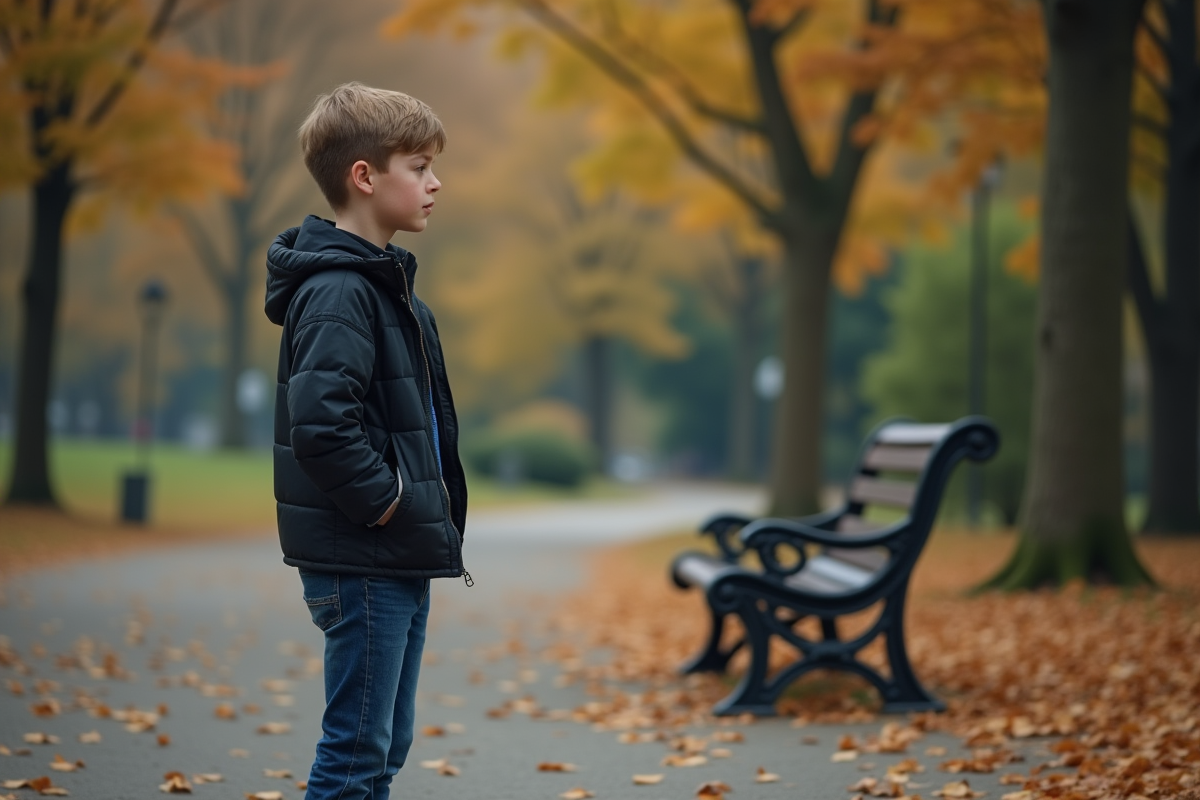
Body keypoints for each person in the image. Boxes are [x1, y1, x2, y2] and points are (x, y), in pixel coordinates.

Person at [263, 81, 470, 800]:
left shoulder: (381, 287)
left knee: (382, 748)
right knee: (355, 753)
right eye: (418, 166)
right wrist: (388, 503)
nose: (434, 182)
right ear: (364, 176)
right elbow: (321, 425)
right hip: (367, 556)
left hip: (393, 554)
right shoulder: (341, 292)